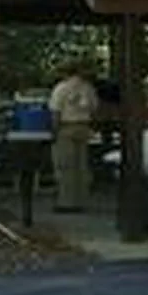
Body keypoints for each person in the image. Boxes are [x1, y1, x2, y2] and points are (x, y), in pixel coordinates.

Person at [47, 59, 99, 212]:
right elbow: (95, 108)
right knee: (82, 165)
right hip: (83, 126)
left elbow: (56, 112)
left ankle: (66, 202)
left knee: (65, 166)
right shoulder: (88, 88)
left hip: (66, 127)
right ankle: (82, 200)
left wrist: (54, 131)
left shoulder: (61, 88)